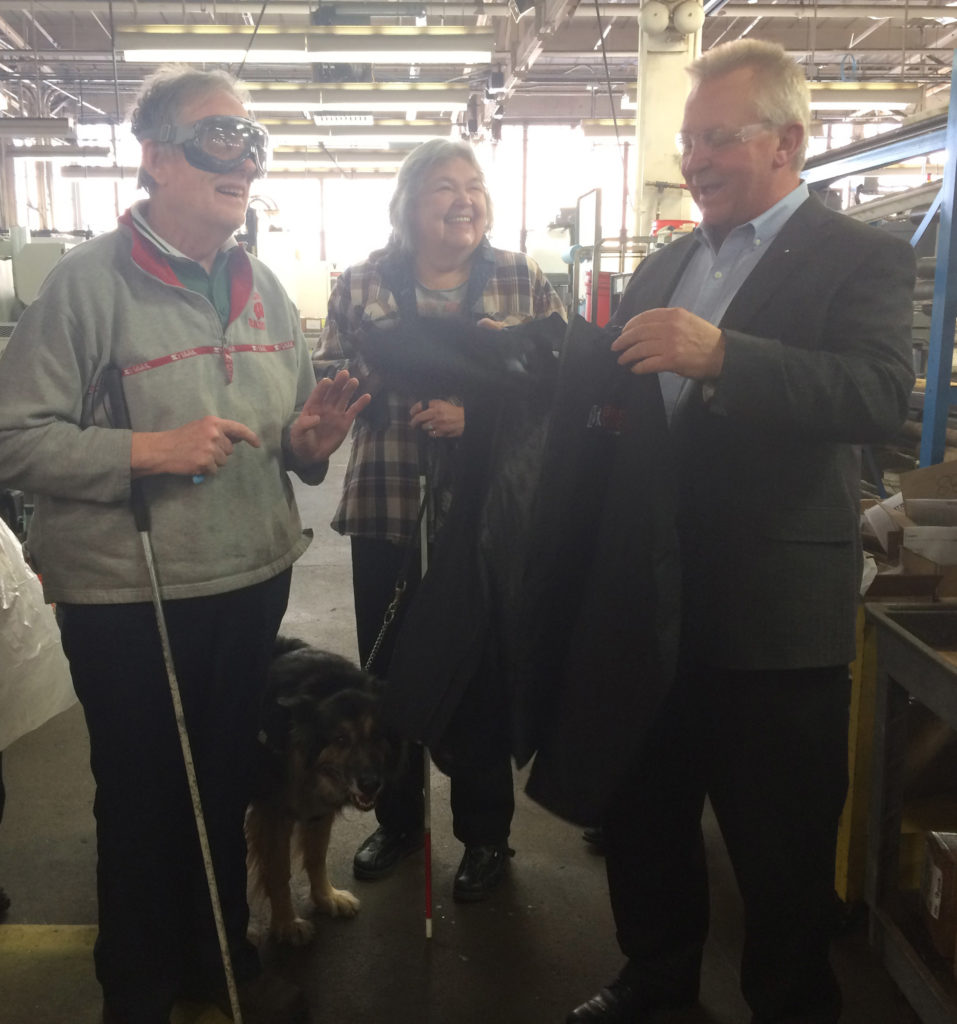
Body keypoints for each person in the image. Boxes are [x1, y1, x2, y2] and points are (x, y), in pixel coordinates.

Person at [0, 66, 369, 1024]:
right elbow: (13, 435)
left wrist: (306, 443)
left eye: (252, 139)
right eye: (219, 135)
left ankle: (211, 954)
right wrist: (145, 452)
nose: (242, 156)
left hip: (251, 578)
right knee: (140, 796)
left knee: (218, 782)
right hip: (132, 596)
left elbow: (283, 428)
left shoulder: (266, 289)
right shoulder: (87, 286)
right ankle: (138, 984)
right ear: (157, 156)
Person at [566, 40, 916, 1024]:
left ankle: (791, 1004)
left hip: (773, 618)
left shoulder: (862, 256)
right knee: (647, 816)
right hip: (650, 597)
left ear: (788, 141)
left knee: (781, 847)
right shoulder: (670, 258)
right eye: (690, 139)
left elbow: (881, 394)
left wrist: (727, 355)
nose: (698, 158)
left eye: (720, 137)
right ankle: (657, 978)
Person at [312, 138, 566, 902]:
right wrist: (375, 381)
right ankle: (397, 820)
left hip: (486, 516)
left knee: (477, 674)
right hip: (390, 504)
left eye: (474, 185)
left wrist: (475, 408)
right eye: (443, 188)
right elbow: (334, 375)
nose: (464, 199)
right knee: (387, 674)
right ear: (407, 206)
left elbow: (556, 386)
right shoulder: (360, 283)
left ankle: (485, 836)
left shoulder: (520, 278)